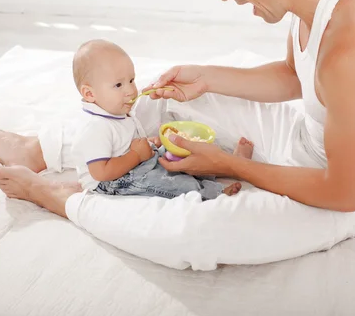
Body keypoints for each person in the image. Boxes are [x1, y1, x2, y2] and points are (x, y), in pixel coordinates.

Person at [0, 0, 355, 266]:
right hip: (307, 142)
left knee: (194, 234)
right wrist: (208, 77)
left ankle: (59, 195)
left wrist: (229, 165)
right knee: (161, 97)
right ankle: (39, 149)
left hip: (341, 195)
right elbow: (294, 74)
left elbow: (345, 193)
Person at [69, 38, 243, 199]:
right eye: (118, 85)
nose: (130, 90)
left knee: (180, 156)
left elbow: (125, 142)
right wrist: (136, 155)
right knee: (169, 182)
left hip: (137, 162)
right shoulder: (96, 127)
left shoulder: (114, 111)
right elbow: (101, 172)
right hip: (113, 181)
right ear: (90, 93)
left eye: (131, 80)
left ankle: (225, 167)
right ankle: (211, 193)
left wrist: (150, 144)